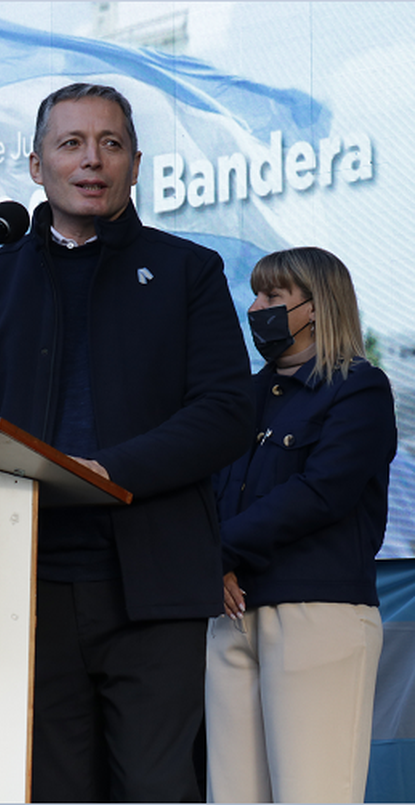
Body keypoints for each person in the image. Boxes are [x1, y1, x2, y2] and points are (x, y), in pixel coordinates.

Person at [0, 83, 254, 802]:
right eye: (71, 143)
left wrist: (111, 469)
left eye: (111, 144)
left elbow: (227, 409)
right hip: (23, 580)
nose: (91, 160)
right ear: (37, 165)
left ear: (136, 164)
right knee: (52, 785)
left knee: (157, 784)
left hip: (153, 581)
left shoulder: (185, 271)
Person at [206, 247, 396, 803]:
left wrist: (216, 551)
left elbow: (321, 493)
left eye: (273, 297)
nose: (256, 306)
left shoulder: (359, 387)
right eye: (257, 293)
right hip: (230, 613)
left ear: (315, 308)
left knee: (313, 792)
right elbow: (210, 491)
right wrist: (213, 563)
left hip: (316, 613)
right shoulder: (244, 397)